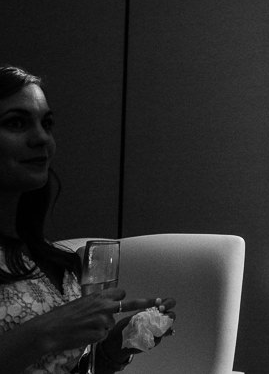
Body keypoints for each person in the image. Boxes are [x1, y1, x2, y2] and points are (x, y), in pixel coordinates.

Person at [0, 65, 176, 374]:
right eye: (16, 123)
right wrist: (47, 331)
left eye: (47, 123)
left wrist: (114, 349)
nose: (42, 138)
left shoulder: (50, 259)